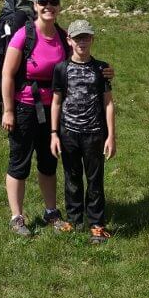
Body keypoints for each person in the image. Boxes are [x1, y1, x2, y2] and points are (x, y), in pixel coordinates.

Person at [0, 0, 114, 237]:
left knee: (49, 161)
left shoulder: (64, 36)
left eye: (53, 2)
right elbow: (7, 74)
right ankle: (17, 217)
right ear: (35, 6)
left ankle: (51, 212)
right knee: (19, 161)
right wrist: (8, 110)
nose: (48, 6)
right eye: (43, 2)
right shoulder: (24, 35)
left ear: (59, 6)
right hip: (24, 108)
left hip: (54, 110)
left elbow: (84, 60)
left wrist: (106, 71)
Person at [49, 19, 116, 244]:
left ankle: (97, 225)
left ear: (92, 39)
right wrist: (54, 133)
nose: (82, 42)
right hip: (68, 132)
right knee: (72, 177)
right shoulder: (61, 69)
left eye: (86, 37)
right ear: (69, 40)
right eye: (77, 38)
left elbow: (108, 103)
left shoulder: (101, 69)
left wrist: (111, 136)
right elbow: (56, 102)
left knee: (95, 180)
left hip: (95, 133)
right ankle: (74, 220)